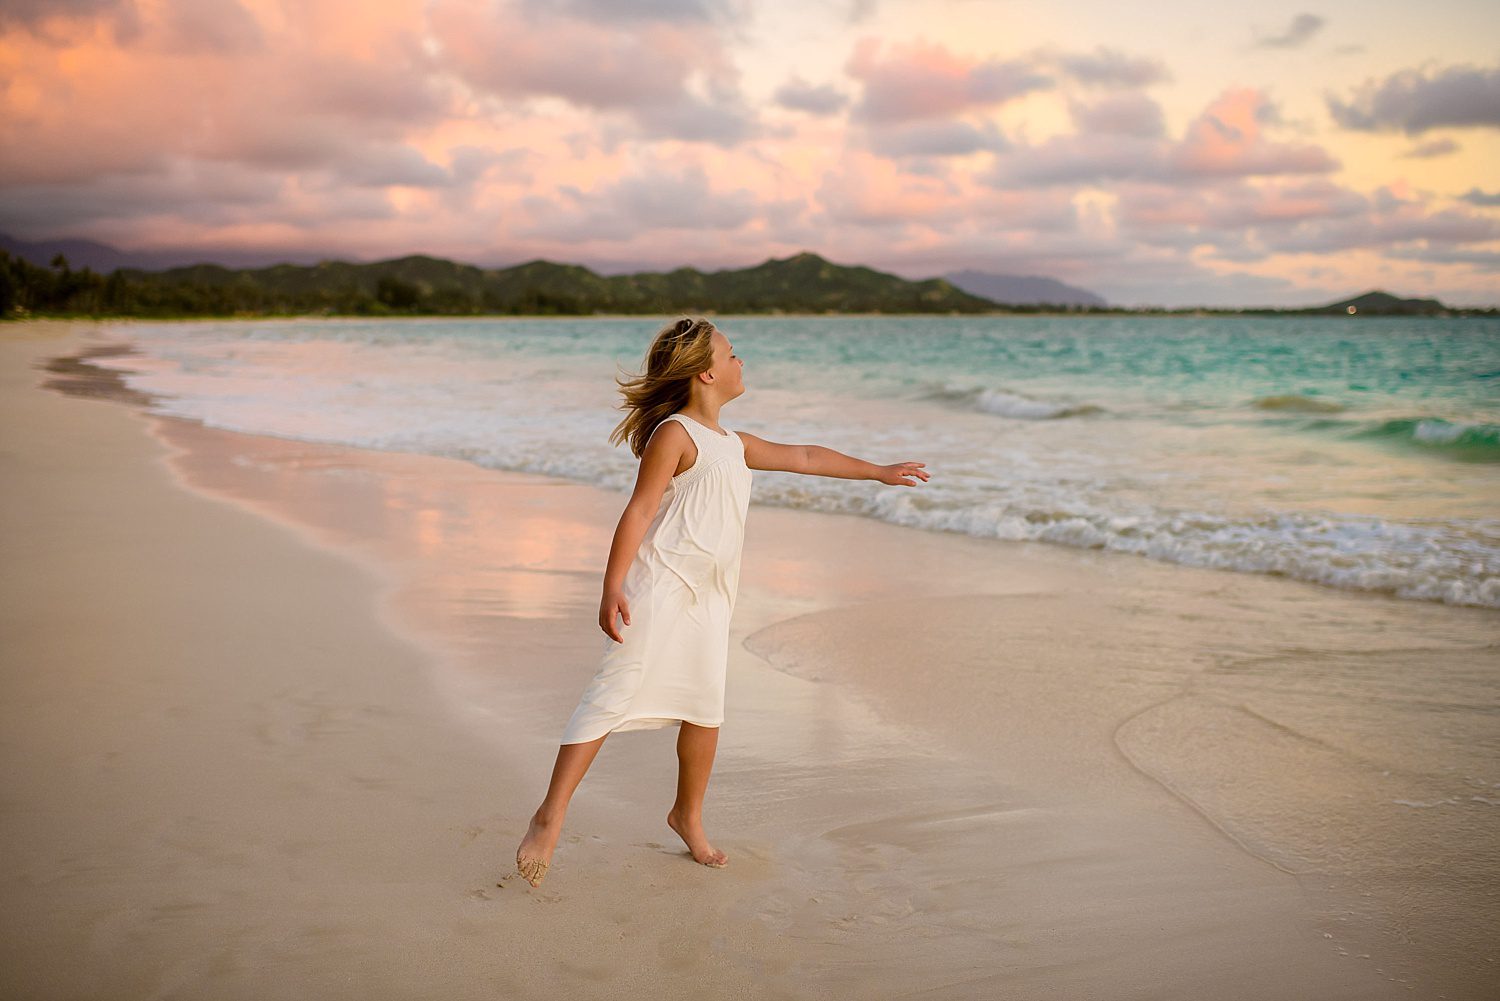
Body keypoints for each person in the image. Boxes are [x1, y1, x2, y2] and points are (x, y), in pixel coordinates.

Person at [514, 316, 930, 886]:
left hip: (712, 599)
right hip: (662, 588)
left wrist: (878, 472)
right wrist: (612, 586)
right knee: (611, 695)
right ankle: (549, 814)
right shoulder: (675, 435)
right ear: (707, 372)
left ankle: (687, 816)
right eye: (734, 354)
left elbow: (806, 456)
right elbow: (639, 510)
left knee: (705, 711)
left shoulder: (734, 444)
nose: (742, 362)